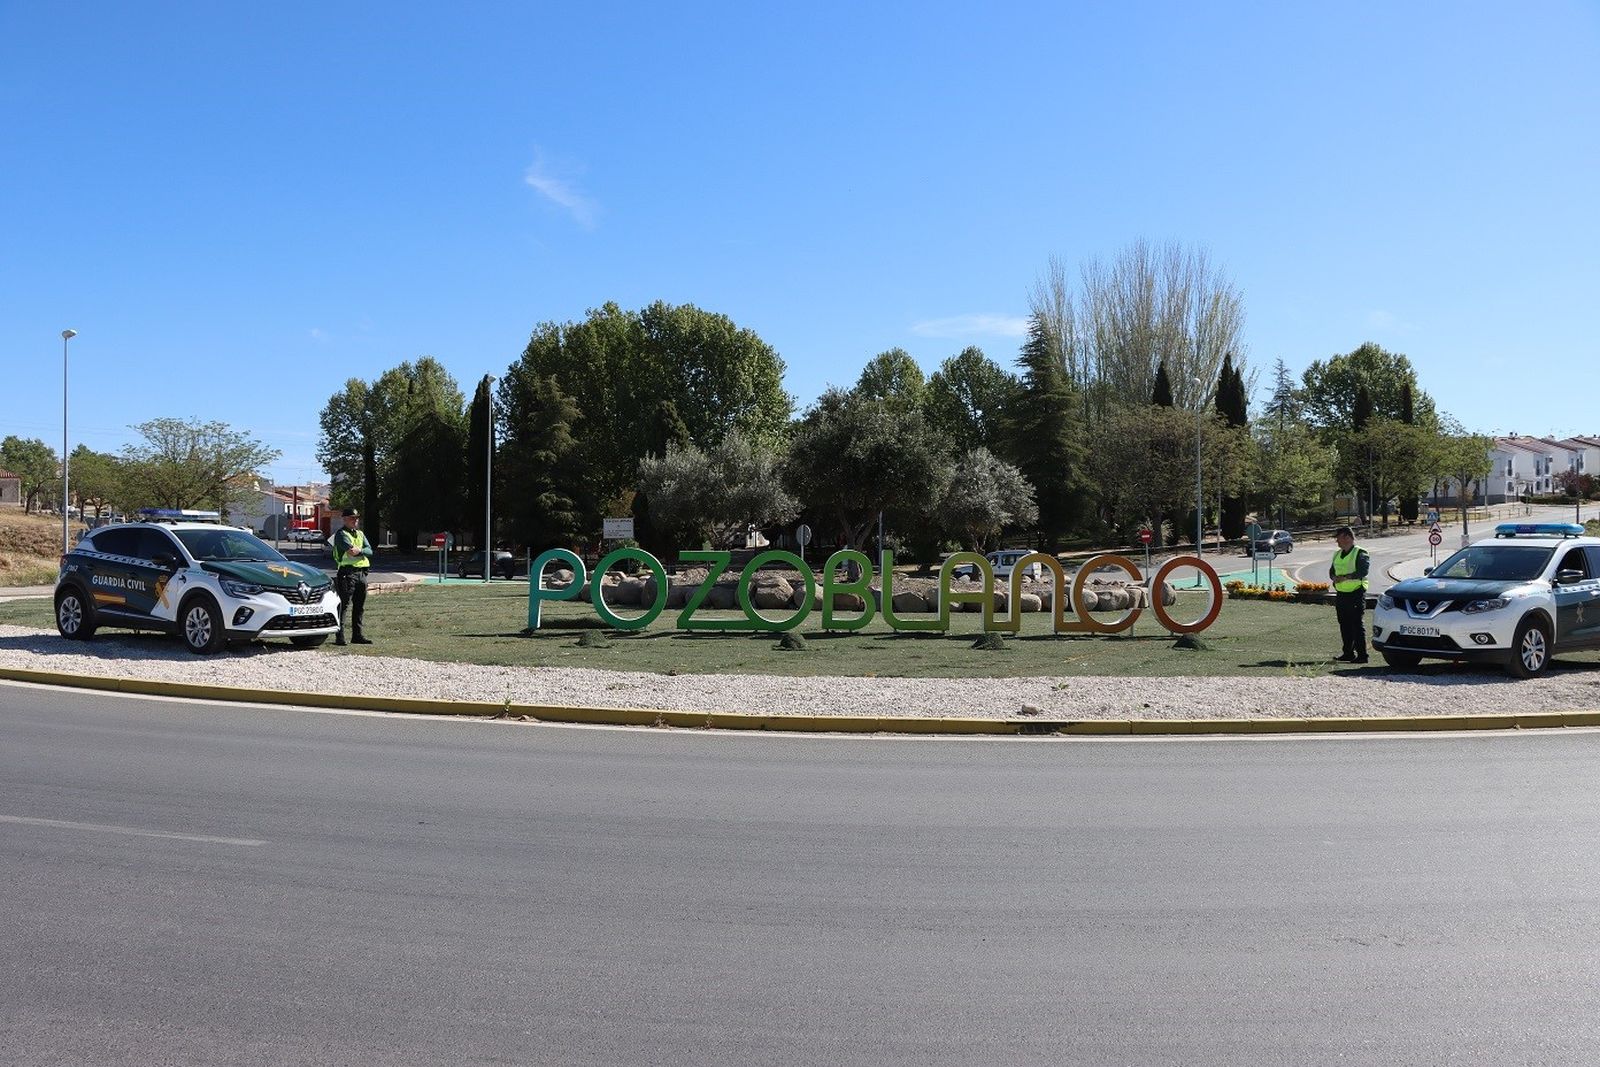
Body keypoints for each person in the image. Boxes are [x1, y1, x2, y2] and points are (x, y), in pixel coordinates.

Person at [331, 507, 373, 646]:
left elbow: (370, 551)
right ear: (344, 520)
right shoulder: (341, 534)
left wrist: (359, 550)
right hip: (347, 573)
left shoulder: (360, 534)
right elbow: (350, 552)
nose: (355, 520)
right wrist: (361, 551)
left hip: (361, 573)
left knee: (359, 606)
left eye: (356, 518)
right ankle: (340, 636)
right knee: (344, 605)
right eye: (352, 518)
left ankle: (357, 635)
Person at [1328, 525, 1370, 663]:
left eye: (1338, 538)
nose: (1337, 541)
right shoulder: (1337, 554)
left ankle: (1362, 655)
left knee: (1356, 624)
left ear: (1347, 537)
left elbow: (1363, 571)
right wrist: (1334, 578)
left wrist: (1345, 577)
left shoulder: (1360, 553)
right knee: (1344, 624)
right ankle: (1348, 653)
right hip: (1341, 594)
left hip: (1356, 593)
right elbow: (1332, 571)